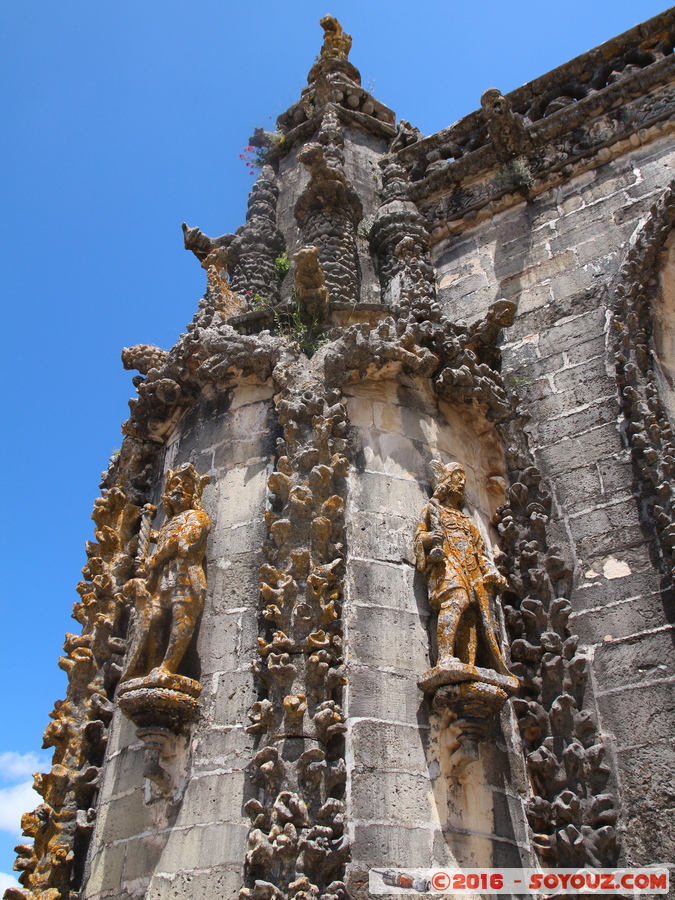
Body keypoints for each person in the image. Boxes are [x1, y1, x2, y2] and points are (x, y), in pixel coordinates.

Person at [414, 461, 512, 677]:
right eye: (457, 478)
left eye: (463, 480)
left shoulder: (466, 521)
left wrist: (491, 570)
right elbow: (419, 537)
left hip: (470, 570)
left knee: (471, 615)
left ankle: (469, 662)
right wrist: (430, 538)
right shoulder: (433, 510)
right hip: (448, 566)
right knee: (457, 600)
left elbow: (480, 551)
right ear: (446, 482)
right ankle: (445, 657)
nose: (461, 483)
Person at [121, 463, 211, 682]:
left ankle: (168, 667)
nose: (179, 488)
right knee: (154, 618)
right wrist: (144, 536)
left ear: (193, 494)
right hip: (163, 580)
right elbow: (163, 538)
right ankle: (151, 667)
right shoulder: (169, 522)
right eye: (175, 484)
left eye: (186, 485)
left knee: (182, 619)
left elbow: (181, 542)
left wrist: (152, 560)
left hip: (186, 578)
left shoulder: (197, 517)